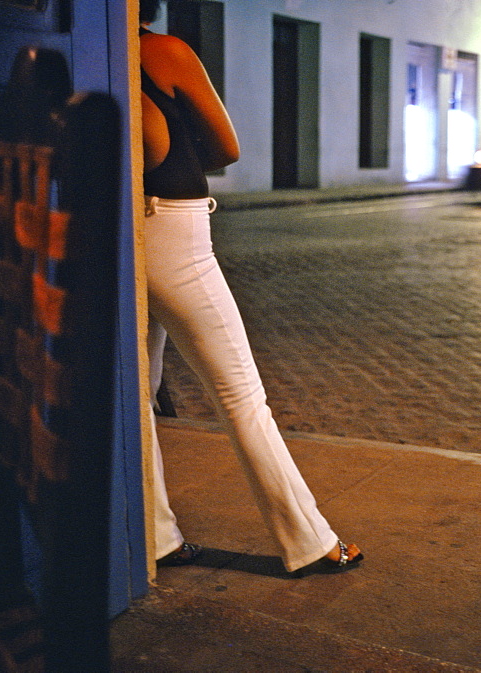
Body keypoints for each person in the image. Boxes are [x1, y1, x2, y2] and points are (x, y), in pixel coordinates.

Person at [139, 0, 361, 576]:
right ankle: (309, 541)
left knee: (140, 390)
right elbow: (226, 148)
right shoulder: (163, 52)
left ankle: (156, 535)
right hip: (176, 233)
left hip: (126, 226)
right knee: (240, 394)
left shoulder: (93, 67)